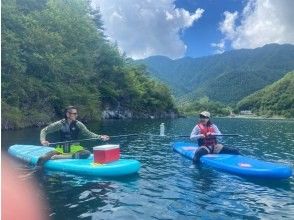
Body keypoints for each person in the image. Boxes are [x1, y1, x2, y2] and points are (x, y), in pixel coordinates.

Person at [37, 106, 110, 167]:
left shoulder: (79, 124)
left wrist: (100, 137)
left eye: (76, 113)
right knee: (41, 158)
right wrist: (43, 140)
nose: (76, 115)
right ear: (68, 114)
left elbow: (89, 134)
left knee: (86, 153)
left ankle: (61, 157)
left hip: (75, 149)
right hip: (61, 149)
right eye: (74, 113)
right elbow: (44, 130)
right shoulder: (59, 124)